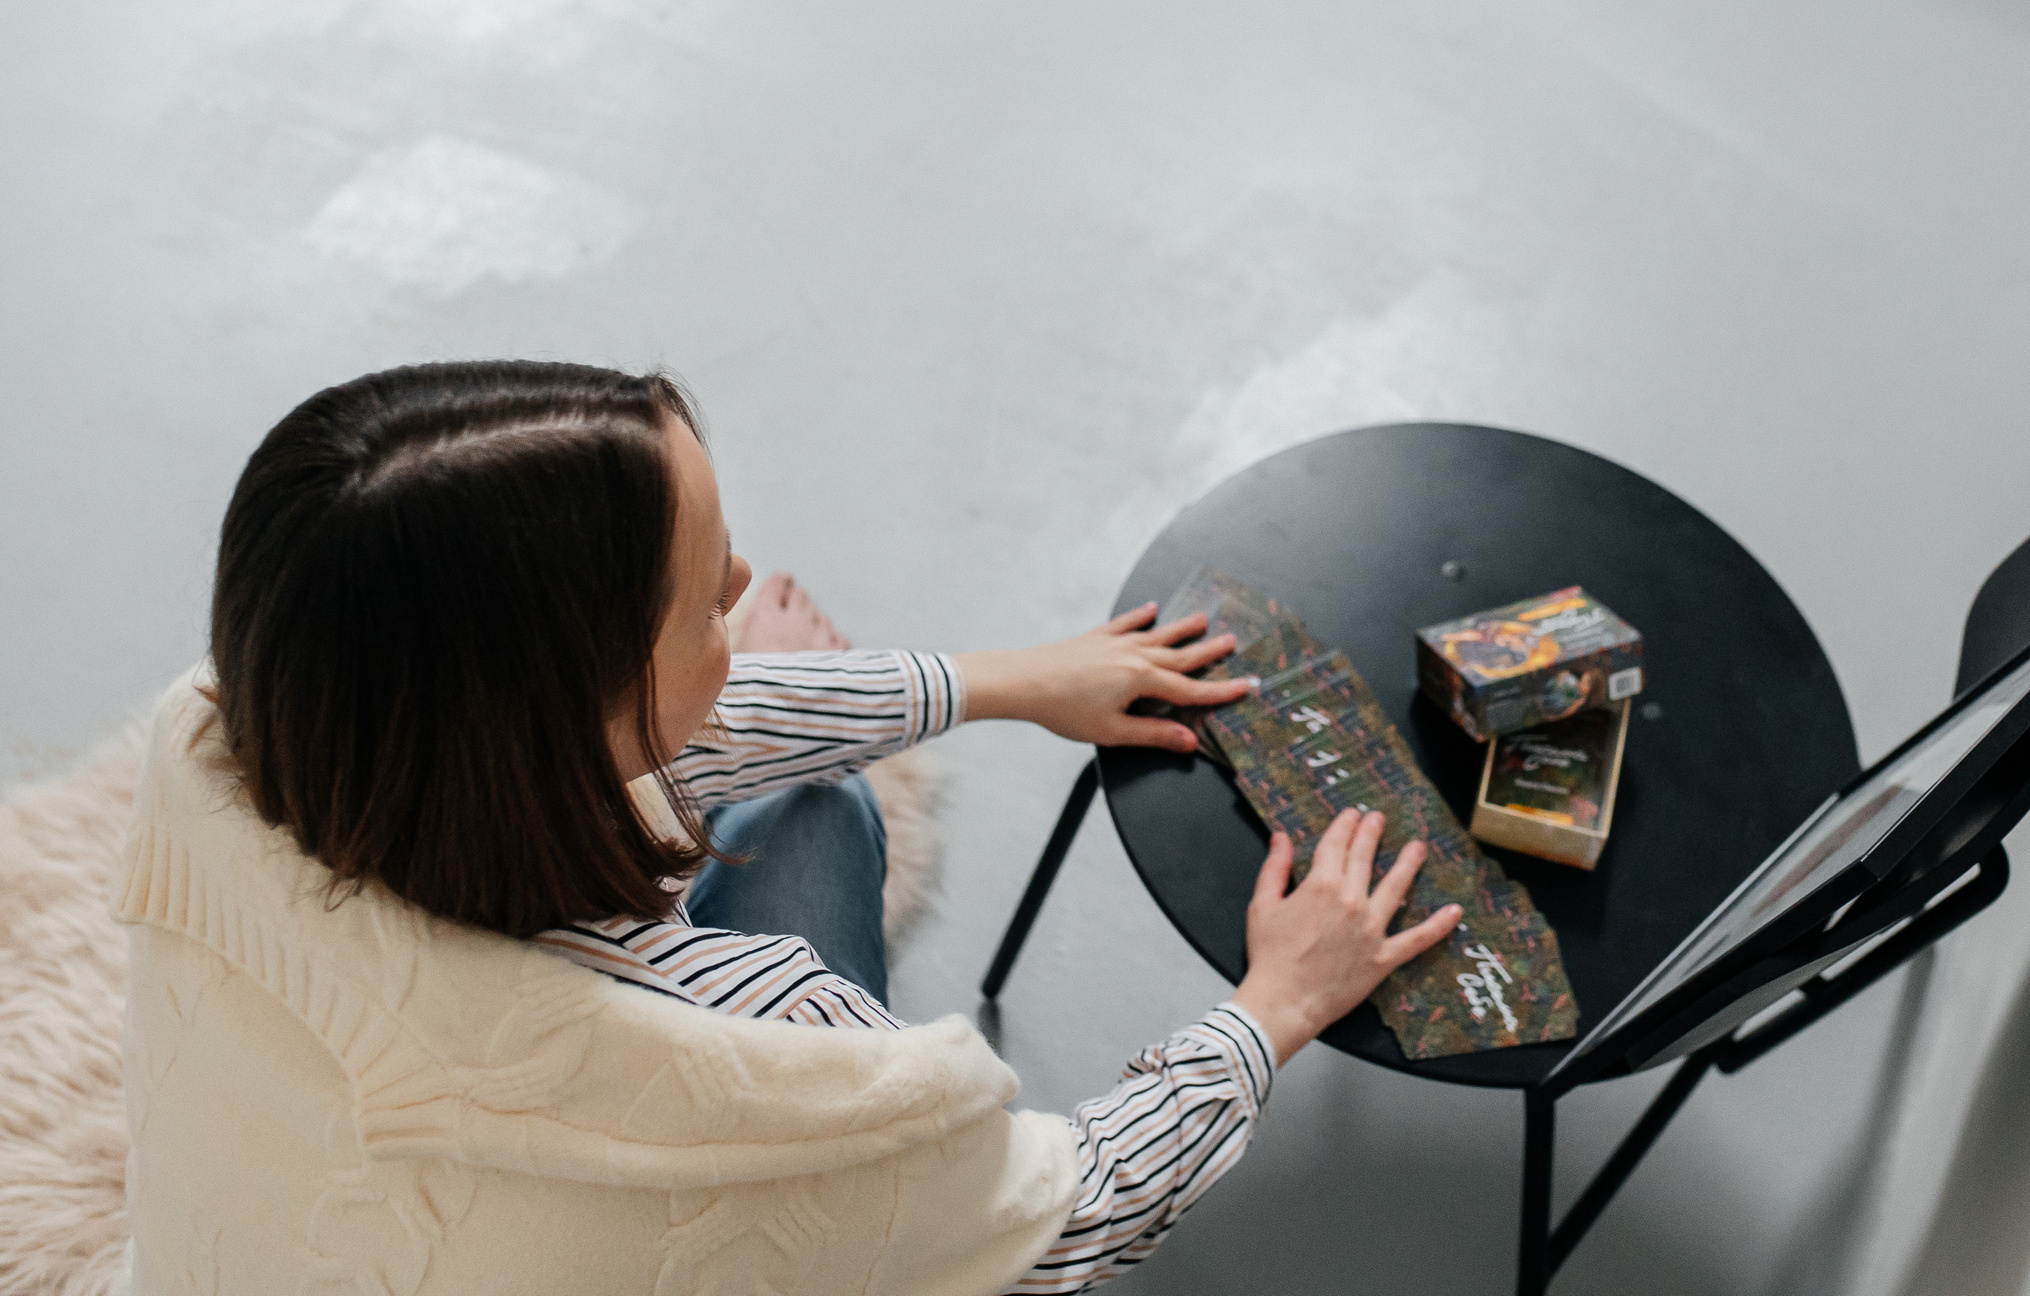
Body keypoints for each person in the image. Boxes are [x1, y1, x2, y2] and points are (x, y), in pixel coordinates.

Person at [120, 359, 1460, 1294]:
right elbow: (1058, 1223)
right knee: (823, 819)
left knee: (808, 803)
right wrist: (1276, 1004)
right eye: (710, 603)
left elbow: (634, 740)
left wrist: (996, 682)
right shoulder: (782, 1057)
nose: (750, 582)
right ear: (574, 724)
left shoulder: (233, 751)